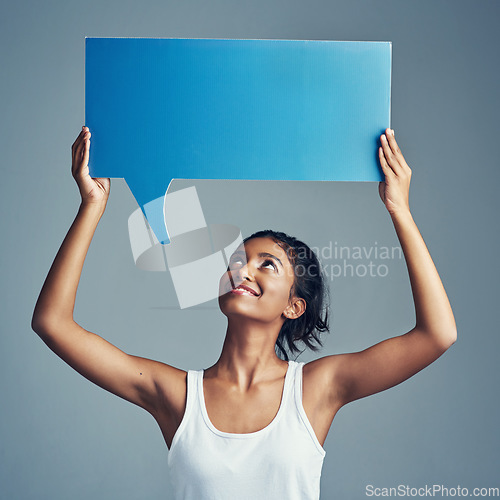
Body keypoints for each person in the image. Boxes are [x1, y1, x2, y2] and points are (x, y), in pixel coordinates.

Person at [32, 126, 457, 500]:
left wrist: (399, 209)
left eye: (266, 264)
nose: (242, 269)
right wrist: (92, 205)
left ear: (294, 306)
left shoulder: (317, 389)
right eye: (237, 259)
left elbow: (437, 334)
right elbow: (52, 324)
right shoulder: (178, 396)